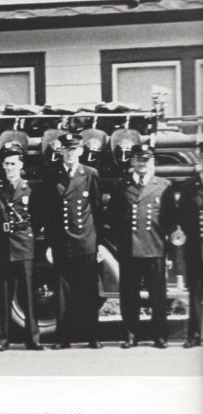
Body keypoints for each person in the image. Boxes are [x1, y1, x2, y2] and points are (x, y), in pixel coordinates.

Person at [37, 132, 104, 349]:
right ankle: (63, 338)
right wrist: (49, 243)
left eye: (73, 149)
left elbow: (97, 210)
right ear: (61, 152)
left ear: (81, 151)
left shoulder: (90, 174)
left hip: (85, 241)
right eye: (66, 150)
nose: (69, 153)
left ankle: (92, 337)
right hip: (61, 242)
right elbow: (47, 213)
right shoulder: (51, 175)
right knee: (62, 293)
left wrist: (99, 244)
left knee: (89, 291)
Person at [105, 144, 176, 348]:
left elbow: (170, 221)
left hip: (155, 247)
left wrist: (169, 252)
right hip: (129, 249)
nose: (142, 163)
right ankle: (131, 334)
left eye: (146, 159)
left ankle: (160, 335)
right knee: (129, 294)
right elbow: (111, 217)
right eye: (138, 159)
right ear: (132, 161)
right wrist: (121, 239)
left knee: (158, 295)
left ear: (152, 162)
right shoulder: (121, 186)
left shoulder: (164, 185)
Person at [0, 142, 43, 351]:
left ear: (21, 165)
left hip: (24, 245)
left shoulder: (30, 189)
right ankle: (3, 339)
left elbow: (37, 218)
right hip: (3, 246)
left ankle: (33, 338)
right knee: (3, 295)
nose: (10, 168)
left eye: (13, 163)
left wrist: (28, 235)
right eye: (6, 164)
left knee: (28, 294)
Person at [178, 144, 203, 348]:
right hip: (196, 248)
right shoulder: (189, 187)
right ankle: (195, 335)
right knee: (195, 293)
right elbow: (183, 219)